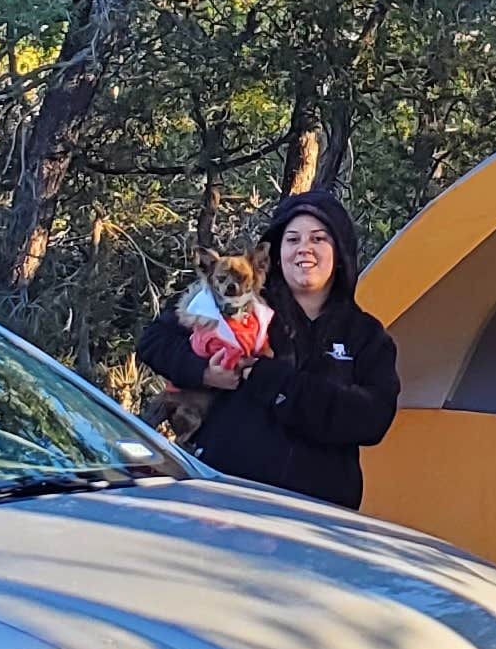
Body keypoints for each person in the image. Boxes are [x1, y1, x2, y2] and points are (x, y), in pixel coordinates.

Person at [134, 190, 398, 510]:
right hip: (225, 495)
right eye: (292, 239)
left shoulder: (366, 334)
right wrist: (204, 372)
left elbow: (372, 419)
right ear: (276, 253)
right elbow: (154, 341)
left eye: (318, 239)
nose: (304, 248)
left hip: (321, 510)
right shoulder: (240, 305)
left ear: (340, 252)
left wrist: (273, 382)